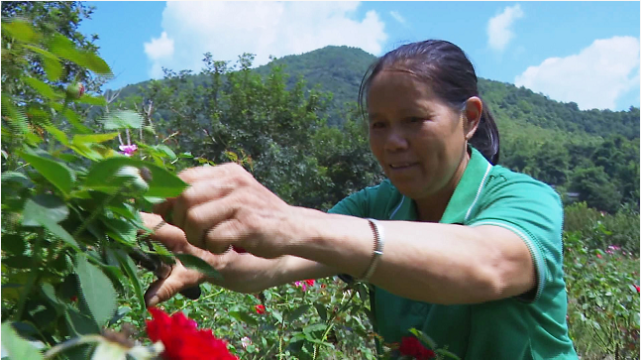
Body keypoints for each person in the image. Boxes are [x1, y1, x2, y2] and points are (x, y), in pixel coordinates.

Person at [141, 40, 578, 359]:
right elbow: (281, 261)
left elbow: (487, 264)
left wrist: (292, 223)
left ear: (469, 119)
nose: (393, 142)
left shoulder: (523, 199)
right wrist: (207, 259)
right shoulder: (377, 205)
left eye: (414, 120)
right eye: (378, 124)